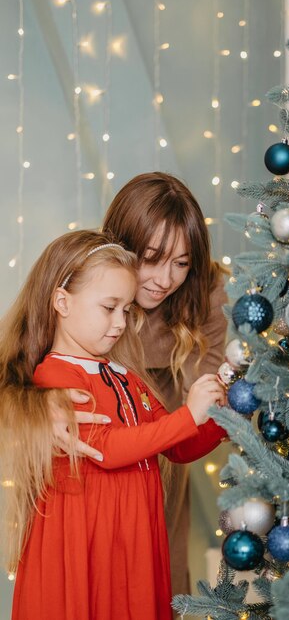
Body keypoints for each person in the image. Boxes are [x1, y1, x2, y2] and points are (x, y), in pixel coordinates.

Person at [0, 229, 227, 620]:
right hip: (87, 539)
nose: (120, 323)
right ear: (62, 302)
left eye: (126, 310)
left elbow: (177, 446)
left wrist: (222, 415)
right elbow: (107, 448)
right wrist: (189, 414)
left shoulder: (125, 376)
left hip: (134, 537)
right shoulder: (56, 377)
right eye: (109, 308)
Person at [53, 172, 229, 601]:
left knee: (156, 585)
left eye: (181, 263)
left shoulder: (205, 295)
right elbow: (21, 368)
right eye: (150, 257)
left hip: (166, 460)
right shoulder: (87, 282)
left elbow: (205, 407)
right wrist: (39, 406)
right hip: (89, 473)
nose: (164, 279)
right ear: (121, 245)